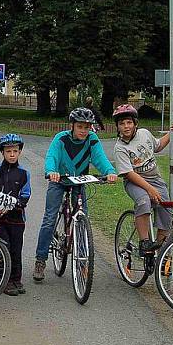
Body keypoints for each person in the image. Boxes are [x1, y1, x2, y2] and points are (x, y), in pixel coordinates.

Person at [33, 107, 118, 282]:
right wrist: (51, 171)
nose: (84, 131)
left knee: (82, 217)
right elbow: (52, 157)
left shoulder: (92, 140)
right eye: (80, 127)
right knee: (50, 218)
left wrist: (109, 171)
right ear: (72, 125)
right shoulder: (61, 139)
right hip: (59, 180)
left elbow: (100, 158)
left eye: (87, 127)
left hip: (79, 181)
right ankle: (40, 259)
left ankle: (82, 262)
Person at [112, 104, 173, 256]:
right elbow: (129, 173)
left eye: (129, 122)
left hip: (155, 179)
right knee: (144, 201)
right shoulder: (120, 147)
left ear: (135, 123)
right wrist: (149, 189)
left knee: (166, 210)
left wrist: (171, 133)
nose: (126, 126)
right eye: (121, 124)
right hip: (134, 181)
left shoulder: (144, 134)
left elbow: (158, 146)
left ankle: (161, 251)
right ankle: (144, 242)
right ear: (117, 127)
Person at [0, 134, 31, 296]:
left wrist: (11, 206)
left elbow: (25, 195)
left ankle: (16, 279)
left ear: (19, 152)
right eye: (8, 151)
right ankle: (4, 280)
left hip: (16, 218)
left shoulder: (24, 173)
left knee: (16, 249)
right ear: (2, 152)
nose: (11, 154)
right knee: (3, 248)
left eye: (15, 151)